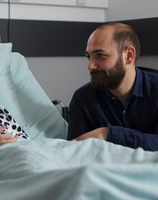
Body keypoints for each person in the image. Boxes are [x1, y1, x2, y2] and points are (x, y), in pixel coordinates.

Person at [67, 22, 158, 151]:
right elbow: (74, 152)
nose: (90, 66)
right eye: (89, 56)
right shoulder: (82, 99)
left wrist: (108, 134)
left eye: (100, 55)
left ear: (128, 56)